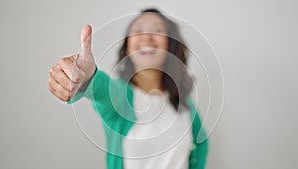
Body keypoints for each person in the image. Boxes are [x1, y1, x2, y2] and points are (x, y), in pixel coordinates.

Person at [49, 8, 208, 169]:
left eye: (157, 31)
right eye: (138, 31)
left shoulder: (186, 106)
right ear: (127, 49)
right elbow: (99, 87)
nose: (146, 37)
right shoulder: (119, 97)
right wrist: (86, 77)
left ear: (170, 48)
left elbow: (201, 145)